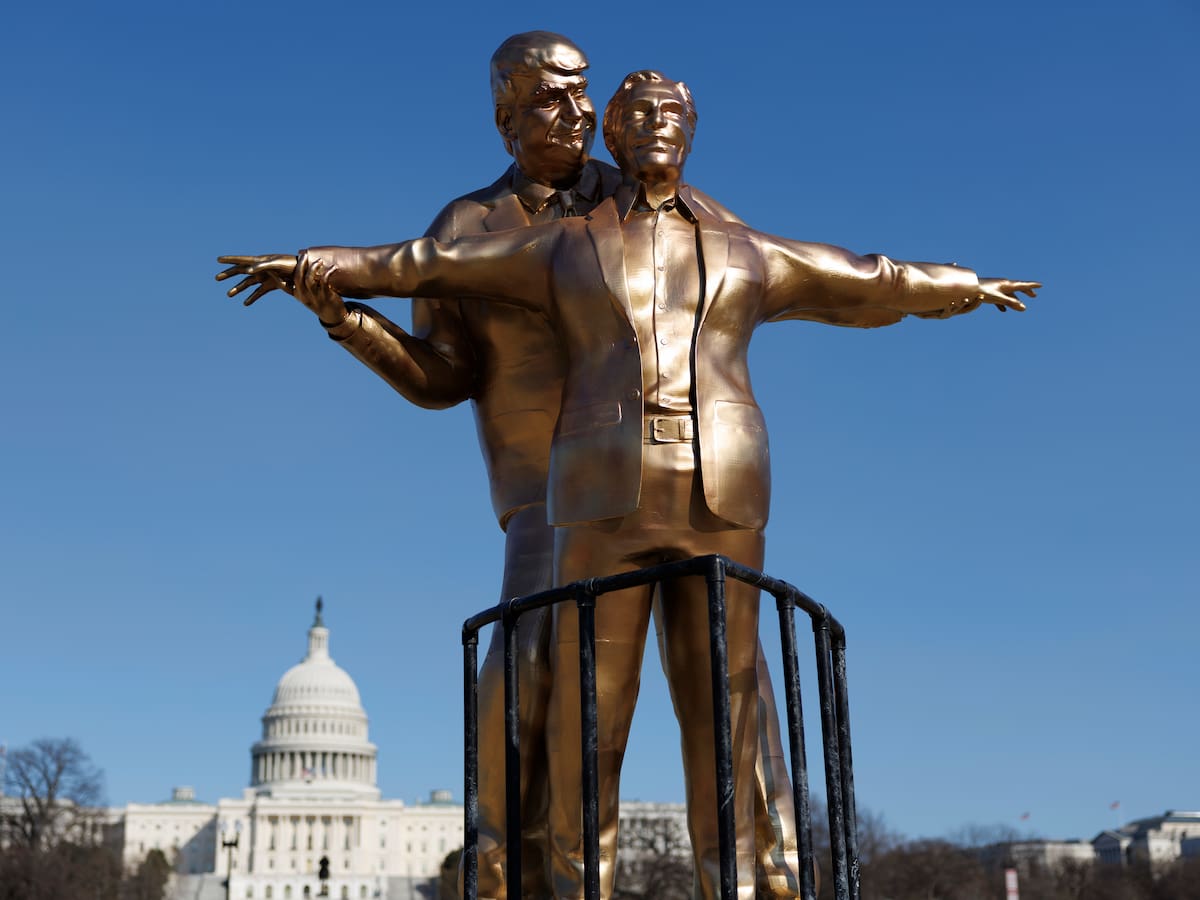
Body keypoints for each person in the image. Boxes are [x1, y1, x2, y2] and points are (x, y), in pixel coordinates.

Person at [223, 70, 1037, 899]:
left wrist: (964, 284)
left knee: (730, 715)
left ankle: (752, 886)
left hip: (721, 491)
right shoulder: (559, 243)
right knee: (586, 727)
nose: (656, 127)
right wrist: (315, 271)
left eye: (674, 115)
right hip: (591, 494)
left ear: (692, 133)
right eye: (638, 114)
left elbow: (867, 278)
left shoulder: (741, 242)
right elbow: (421, 264)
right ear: (610, 137)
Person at [220, 41, 805, 898]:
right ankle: (508, 881)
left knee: (730, 684)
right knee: (526, 687)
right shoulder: (467, 227)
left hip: (669, 479)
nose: (575, 117)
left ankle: (774, 876)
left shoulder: (640, 199)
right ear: (505, 118)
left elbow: (740, 265)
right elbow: (441, 377)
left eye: (581, 98)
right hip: (543, 500)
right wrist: (347, 323)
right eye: (549, 101)